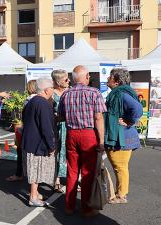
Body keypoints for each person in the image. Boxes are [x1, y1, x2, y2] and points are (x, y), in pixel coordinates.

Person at [58, 65, 107, 217]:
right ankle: (86, 209)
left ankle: (69, 207)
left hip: (71, 134)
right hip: (88, 135)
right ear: (86, 77)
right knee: (87, 173)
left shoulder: (66, 94)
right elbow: (98, 117)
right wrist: (101, 141)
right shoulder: (94, 92)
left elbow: (60, 117)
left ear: (73, 79)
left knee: (72, 171)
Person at [104, 68, 143, 204]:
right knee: (120, 166)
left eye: (110, 77)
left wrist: (129, 120)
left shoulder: (121, 94)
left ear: (117, 81)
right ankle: (121, 192)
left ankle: (121, 195)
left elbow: (137, 109)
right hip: (122, 136)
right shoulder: (119, 93)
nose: (108, 79)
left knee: (120, 166)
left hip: (122, 137)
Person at [21, 78, 56, 207]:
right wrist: (51, 145)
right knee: (36, 170)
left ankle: (34, 194)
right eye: (52, 88)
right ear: (47, 90)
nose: (53, 90)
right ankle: (33, 196)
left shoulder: (32, 101)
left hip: (31, 141)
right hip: (37, 143)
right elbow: (46, 127)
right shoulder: (42, 103)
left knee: (34, 170)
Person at [6, 79, 37, 182]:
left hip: (28, 130)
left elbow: (25, 117)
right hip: (35, 131)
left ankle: (20, 174)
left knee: (21, 151)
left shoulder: (28, 100)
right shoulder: (41, 99)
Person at [51, 70, 70, 193]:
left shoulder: (71, 91)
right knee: (56, 153)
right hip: (56, 127)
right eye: (66, 79)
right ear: (58, 81)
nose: (69, 81)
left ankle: (72, 179)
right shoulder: (51, 93)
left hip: (70, 126)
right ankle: (56, 180)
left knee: (70, 153)